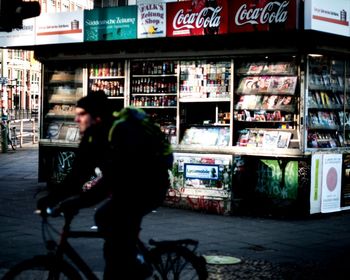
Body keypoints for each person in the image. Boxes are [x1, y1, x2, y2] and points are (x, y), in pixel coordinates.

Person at [37, 90, 173, 279]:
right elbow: (78, 175)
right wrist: (52, 198)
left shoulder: (121, 133)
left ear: (97, 117)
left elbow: (113, 181)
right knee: (106, 221)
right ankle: (129, 258)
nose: (77, 120)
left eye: (82, 114)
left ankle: (136, 266)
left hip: (148, 187)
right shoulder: (92, 137)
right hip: (127, 187)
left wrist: (77, 203)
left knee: (114, 243)